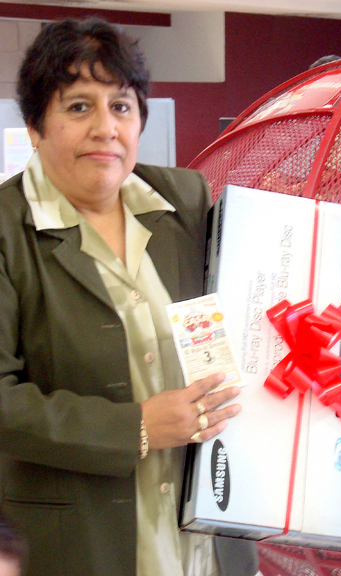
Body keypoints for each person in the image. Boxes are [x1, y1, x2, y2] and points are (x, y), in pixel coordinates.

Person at [0, 17, 258, 576]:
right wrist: (136, 427)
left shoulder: (184, 200)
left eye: (121, 106)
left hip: (206, 541)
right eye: (78, 107)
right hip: (83, 546)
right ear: (35, 126)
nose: (106, 128)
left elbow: (241, 316)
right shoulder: (6, 229)